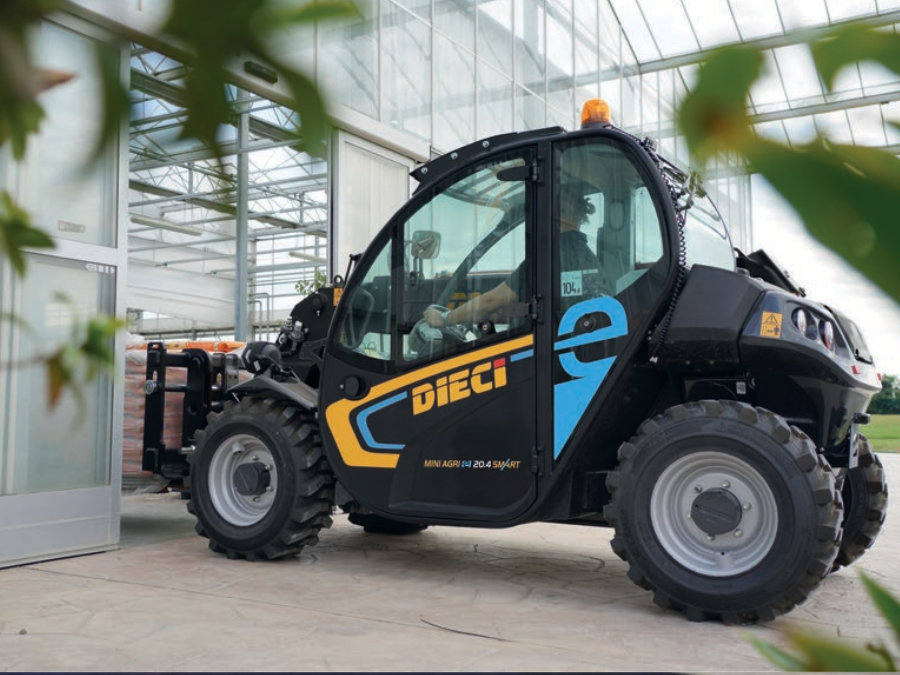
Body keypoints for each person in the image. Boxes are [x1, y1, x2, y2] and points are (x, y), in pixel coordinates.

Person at [423, 186, 599, 329]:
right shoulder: (587, 257)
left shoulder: (549, 258)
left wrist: (445, 318)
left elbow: (491, 301)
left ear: (556, 213)